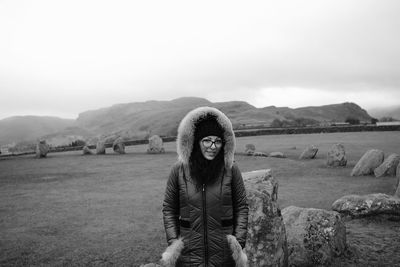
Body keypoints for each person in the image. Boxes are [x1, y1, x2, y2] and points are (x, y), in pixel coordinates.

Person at [161, 106, 249, 267]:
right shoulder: (178, 170)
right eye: (207, 140)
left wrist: (238, 242)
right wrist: (175, 243)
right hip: (188, 257)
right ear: (195, 141)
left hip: (224, 257)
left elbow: (242, 207)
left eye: (218, 141)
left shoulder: (231, 169)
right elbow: (169, 209)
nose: (213, 146)